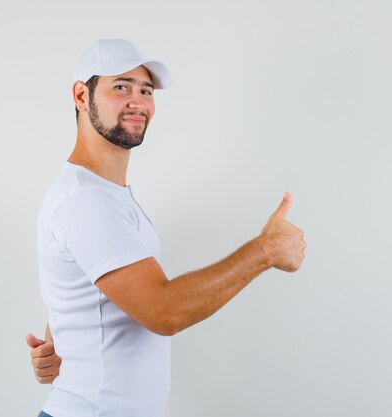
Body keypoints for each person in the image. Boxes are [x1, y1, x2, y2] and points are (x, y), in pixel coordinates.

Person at [26, 39, 306, 417]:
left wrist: (59, 338)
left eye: (146, 90)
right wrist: (265, 250)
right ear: (81, 95)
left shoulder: (104, 195)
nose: (138, 102)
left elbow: (85, 283)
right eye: (121, 87)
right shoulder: (86, 201)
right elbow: (164, 312)